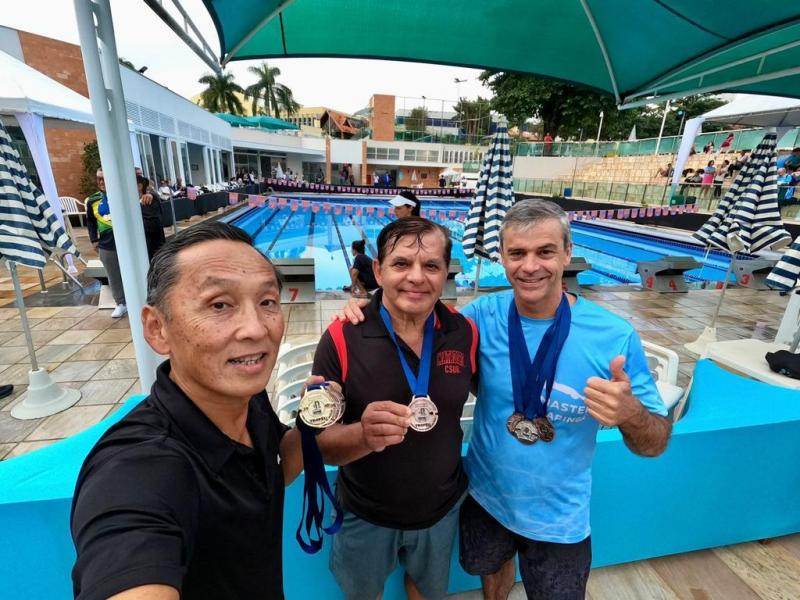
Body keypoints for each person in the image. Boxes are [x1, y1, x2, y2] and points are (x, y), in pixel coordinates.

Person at [338, 200, 671, 600]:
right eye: (517, 253)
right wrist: (371, 308)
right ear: (502, 257)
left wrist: (631, 414)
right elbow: (419, 321)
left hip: (559, 518)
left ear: (568, 253)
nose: (530, 266)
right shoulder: (480, 317)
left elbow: (655, 443)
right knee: (493, 580)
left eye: (545, 251)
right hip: (485, 498)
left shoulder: (613, 336)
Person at [70, 221, 303, 600]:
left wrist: (313, 426)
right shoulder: (140, 468)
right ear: (157, 328)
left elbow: (271, 475)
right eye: (219, 304)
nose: (256, 329)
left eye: (267, 302)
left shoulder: (249, 398)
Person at [314, 217, 478, 600]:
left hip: (441, 509)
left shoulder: (463, 332)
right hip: (365, 513)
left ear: (446, 272)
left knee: (426, 590)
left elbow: (499, 393)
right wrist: (362, 435)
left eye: (431, 265)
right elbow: (319, 443)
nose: (416, 277)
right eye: (401, 263)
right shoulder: (342, 335)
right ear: (378, 270)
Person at [85, 169, 127, 318]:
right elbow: (90, 221)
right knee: (113, 275)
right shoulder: (93, 200)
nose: (101, 182)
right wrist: (93, 239)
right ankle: (121, 303)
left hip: (127, 241)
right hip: (107, 242)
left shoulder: (124, 194)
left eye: (104, 178)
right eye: (99, 179)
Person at [137, 175, 166, 262]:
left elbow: (153, 225)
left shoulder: (148, 201)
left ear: (140, 186)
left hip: (152, 252)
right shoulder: (136, 201)